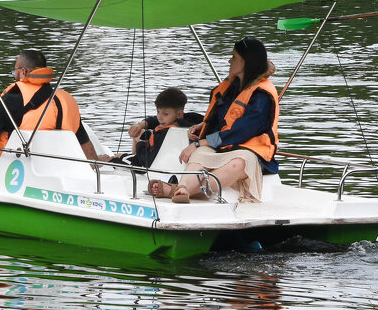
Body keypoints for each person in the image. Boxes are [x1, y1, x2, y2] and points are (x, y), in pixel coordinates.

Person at [149, 38, 279, 204]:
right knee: (199, 156)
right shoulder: (232, 86)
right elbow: (223, 117)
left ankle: (177, 190)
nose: (229, 61)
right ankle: (182, 189)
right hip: (223, 145)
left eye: (234, 57)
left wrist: (200, 142)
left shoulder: (262, 96)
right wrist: (204, 125)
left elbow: (242, 131)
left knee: (238, 163)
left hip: (251, 151)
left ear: (245, 62)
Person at [0, 50, 108, 180]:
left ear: (23, 71)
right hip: (47, 166)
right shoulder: (65, 103)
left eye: (15, 70)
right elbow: (87, 149)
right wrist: (97, 162)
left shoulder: (11, 100)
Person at [115, 87, 203, 168]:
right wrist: (140, 125)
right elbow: (154, 120)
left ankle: (134, 158)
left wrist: (140, 143)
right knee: (141, 132)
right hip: (163, 157)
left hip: (148, 163)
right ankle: (134, 155)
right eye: (158, 112)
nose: (159, 117)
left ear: (179, 114)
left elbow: (147, 162)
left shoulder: (166, 132)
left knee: (117, 156)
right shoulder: (188, 120)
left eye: (165, 114)